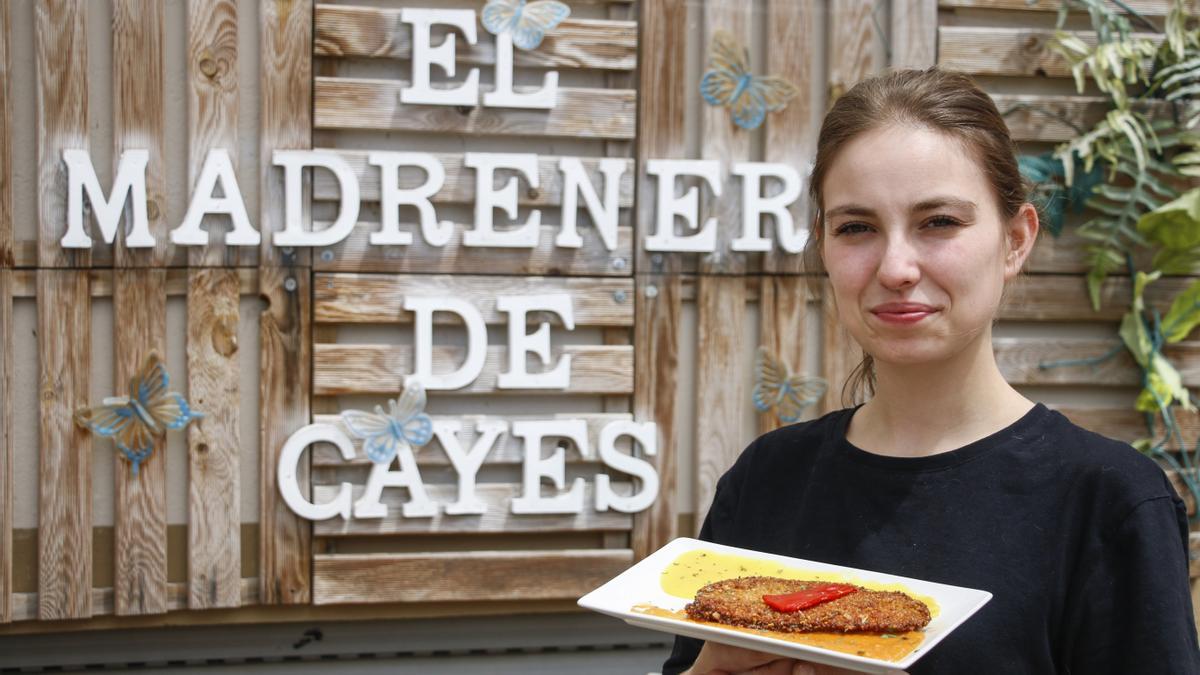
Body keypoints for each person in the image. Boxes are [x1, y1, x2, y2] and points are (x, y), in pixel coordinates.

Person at [662, 68, 1200, 675]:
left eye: (938, 222)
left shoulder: (1109, 498)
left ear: (1016, 240)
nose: (895, 267)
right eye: (856, 228)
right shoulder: (767, 479)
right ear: (823, 246)